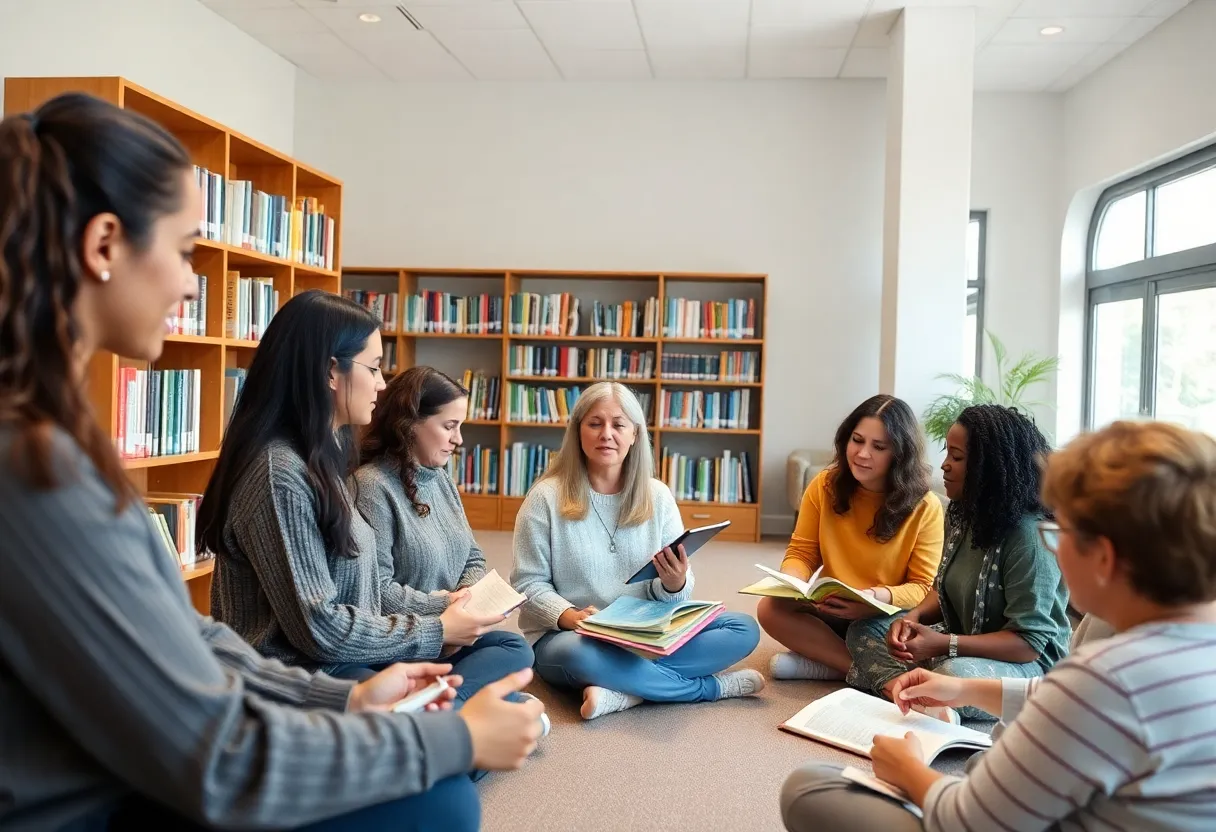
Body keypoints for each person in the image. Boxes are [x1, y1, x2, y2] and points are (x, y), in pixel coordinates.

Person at [0, 92, 542, 832]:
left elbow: (188, 637)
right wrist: (445, 737)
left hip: (189, 738)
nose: (195, 282)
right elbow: (221, 747)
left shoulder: (54, 448)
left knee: (463, 723)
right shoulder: (37, 476)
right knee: (443, 796)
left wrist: (348, 704)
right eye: (187, 249)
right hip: (110, 796)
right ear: (103, 246)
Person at [780, 420, 1216, 832]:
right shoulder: (1163, 649)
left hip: (993, 808)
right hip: (1025, 776)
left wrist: (909, 770)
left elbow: (971, 822)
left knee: (809, 788)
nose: (1056, 547)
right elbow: (1062, 697)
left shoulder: (1108, 680)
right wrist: (965, 690)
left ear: (1102, 556)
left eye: (1061, 533)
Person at [511, 381, 763, 720]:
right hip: (575, 635)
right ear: (577, 431)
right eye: (595, 423)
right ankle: (709, 689)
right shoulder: (545, 498)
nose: (606, 434)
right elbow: (528, 584)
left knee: (742, 628)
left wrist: (674, 583)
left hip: (644, 632)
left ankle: (624, 691)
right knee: (579, 656)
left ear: (634, 434)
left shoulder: (657, 496)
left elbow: (676, 594)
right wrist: (569, 616)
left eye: (618, 424)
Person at [845, 405, 1072, 720]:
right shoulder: (961, 512)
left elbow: (1028, 644)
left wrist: (943, 645)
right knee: (867, 628)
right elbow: (942, 586)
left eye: (957, 457)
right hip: (957, 641)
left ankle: (903, 688)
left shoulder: (1029, 537)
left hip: (1026, 667)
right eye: (947, 453)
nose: (945, 465)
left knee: (953, 673)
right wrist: (914, 617)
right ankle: (913, 695)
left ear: (989, 466)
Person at [355, 366, 540, 714]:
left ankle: (443, 709)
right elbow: (377, 592)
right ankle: (471, 714)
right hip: (408, 638)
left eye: (461, 427)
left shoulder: (439, 478)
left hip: (454, 632)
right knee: (508, 675)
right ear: (409, 424)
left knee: (516, 649)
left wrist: (469, 604)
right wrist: (445, 609)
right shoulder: (372, 487)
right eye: (449, 426)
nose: (459, 440)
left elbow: (471, 556)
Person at [758, 394, 944, 682]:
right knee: (770, 608)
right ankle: (858, 670)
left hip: (884, 616)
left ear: (899, 453)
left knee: (888, 634)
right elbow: (803, 552)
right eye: (857, 440)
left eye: (878, 446)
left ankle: (830, 665)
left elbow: (921, 587)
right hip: (832, 606)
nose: (862, 453)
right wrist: (792, 582)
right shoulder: (824, 484)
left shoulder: (925, 506)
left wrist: (872, 599)